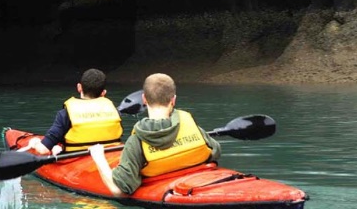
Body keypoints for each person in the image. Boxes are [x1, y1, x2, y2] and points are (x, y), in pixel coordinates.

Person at [89, 73, 221, 196]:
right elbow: (215, 151)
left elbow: (119, 190)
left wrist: (99, 157)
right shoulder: (190, 124)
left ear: (144, 99)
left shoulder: (136, 141)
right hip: (198, 182)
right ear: (173, 100)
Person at [28, 68, 122, 155]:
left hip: (76, 161)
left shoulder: (65, 114)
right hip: (112, 157)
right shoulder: (115, 112)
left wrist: (35, 143)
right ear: (103, 93)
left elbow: (43, 150)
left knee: (55, 147)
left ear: (79, 87)